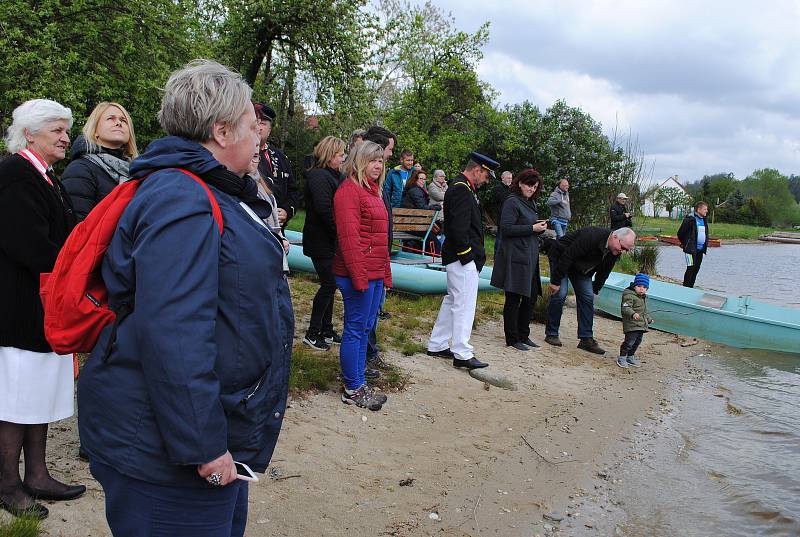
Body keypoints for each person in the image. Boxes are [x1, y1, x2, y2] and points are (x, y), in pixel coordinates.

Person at [77, 60, 293, 537]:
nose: (259, 133)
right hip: (165, 452)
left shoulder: (214, 191)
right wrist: (204, 445)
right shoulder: (184, 198)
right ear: (220, 131)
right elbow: (174, 333)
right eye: (249, 123)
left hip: (202, 431)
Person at [0, 98, 83, 520]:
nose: (66, 137)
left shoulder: (46, 174)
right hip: (19, 308)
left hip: (45, 305)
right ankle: (8, 484)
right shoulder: (15, 173)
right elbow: (27, 243)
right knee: (17, 399)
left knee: (41, 396)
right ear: (30, 133)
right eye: (57, 130)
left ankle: (37, 474)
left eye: (66, 130)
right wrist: (75, 269)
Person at [332, 141, 392, 410]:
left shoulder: (374, 192)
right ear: (359, 161)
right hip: (358, 274)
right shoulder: (349, 192)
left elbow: (381, 240)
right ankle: (353, 388)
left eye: (380, 160)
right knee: (356, 329)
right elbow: (350, 240)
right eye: (372, 160)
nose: (378, 165)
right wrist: (360, 278)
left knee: (365, 329)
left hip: (375, 272)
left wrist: (385, 275)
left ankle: (357, 381)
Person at [427, 152, 499, 370]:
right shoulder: (460, 189)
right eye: (486, 175)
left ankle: (438, 343)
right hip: (462, 258)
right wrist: (468, 256)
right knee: (464, 304)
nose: (486, 180)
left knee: (453, 300)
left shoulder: (463, 188)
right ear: (477, 170)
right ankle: (462, 352)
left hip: (460, 257)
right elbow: (458, 229)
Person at [544, 226, 637, 355]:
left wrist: (595, 289)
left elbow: (605, 271)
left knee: (588, 296)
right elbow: (568, 256)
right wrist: (555, 281)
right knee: (560, 293)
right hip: (561, 257)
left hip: (581, 267)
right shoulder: (591, 236)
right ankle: (551, 333)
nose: (623, 251)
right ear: (615, 237)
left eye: (626, 250)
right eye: (623, 247)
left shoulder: (615, 250)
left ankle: (586, 339)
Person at [490, 169, 548, 351]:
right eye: (529, 185)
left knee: (530, 297)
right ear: (520, 183)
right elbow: (506, 229)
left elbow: (527, 226)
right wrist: (532, 228)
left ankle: (524, 334)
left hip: (529, 255)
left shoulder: (530, 203)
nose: (532, 189)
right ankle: (512, 338)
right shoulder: (512, 202)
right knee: (514, 297)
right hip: (515, 255)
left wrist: (540, 227)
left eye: (535, 187)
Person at [302, 135, 347, 351]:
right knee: (329, 284)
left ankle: (326, 329)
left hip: (330, 240)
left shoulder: (334, 175)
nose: (343, 158)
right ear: (330, 156)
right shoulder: (319, 176)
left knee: (332, 285)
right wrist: (340, 233)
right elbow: (324, 209)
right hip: (320, 239)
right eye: (340, 155)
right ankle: (312, 332)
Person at [62, 101, 139, 221]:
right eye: (110, 118)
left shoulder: (136, 171)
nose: (119, 123)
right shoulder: (80, 169)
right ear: (95, 130)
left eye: (123, 120)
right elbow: (77, 225)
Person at [363, 126, 397, 372]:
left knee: (372, 314)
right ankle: (364, 359)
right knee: (364, 319)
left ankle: (370, 352)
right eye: (389, 150)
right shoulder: (361, 185)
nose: (389, 156)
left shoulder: (379, 183)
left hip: (379, 257)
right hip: (369, 259)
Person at [253, 101, 299, 227]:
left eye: (263, 123)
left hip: (278, 230)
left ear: (269, 130)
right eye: (256, 122)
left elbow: (293, 191)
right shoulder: (242, 155)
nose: (259, 127)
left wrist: (287, 211)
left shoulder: (280, 157)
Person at [400, 168, 442, 254]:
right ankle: (433, 260)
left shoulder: (414, 189)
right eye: (421, 179)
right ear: (415, 179)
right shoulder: (416, 191)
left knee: (435, 233)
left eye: (424, 179)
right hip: (412, 225)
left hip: (411, 223)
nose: (423, 181)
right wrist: (437, 206)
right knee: (435, 242)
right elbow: (423, 208)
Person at [617, 273, 654, 369]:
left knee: (637, 341)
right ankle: (622, 357)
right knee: (629, 341)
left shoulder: (642, 298)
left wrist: (649, 319)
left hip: (641, 325)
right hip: (631, 324)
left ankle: (630, 356)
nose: (641, 289)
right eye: (639, 286)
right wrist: (633, 314)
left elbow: (644, 311)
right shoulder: (629, 295)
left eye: (644, 287)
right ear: (634, 286)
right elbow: (625, 307)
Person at [677, 201, 710, 288]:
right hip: (690, 250)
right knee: (690, 267)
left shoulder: (704, 220)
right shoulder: (690, 219)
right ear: (698, 209)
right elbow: (680, 233)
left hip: (700, 250)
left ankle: (691, 287)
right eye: (705, 209)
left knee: (696, 268)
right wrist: (685, 243)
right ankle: (685, 287)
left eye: (707, 209)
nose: (706, 211)